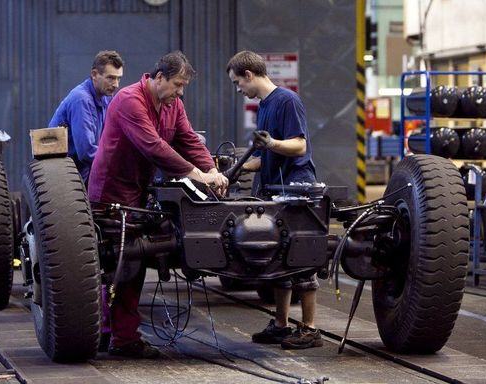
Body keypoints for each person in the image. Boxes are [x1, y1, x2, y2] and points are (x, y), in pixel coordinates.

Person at [88, 51, 229, 358]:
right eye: (177, 84)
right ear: (159, 77)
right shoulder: (129, 100)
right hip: (112, 193)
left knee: (131, 265)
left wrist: (212, 170)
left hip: (139, 191)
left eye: (183, 87)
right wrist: (196, 174)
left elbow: (189, 139)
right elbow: (153, 146)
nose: (180, 92)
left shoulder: (172, 105)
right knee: (122, 264)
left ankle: (110, 332)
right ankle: (119, 337)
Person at [226, 50, 322, 350]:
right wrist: (228, 166)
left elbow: (298, 146)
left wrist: (273, 143)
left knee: (301, 260)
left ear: (249, 75)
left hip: (296, 189)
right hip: (273, 190)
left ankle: (309, 329)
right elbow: (262, 156)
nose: (238, 89)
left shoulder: (287, 101)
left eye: (237, 83)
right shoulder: (265, 106)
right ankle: (281, 326)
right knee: (279, 261)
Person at [48, 50, 124, 184]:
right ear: (94, 74)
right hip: (63, 180)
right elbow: (86, 152)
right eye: (110, 78)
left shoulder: (105, 98)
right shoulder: (82, 100)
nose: (116, 84)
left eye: (119, 78)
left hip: (81, 173)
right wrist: (120, 164)